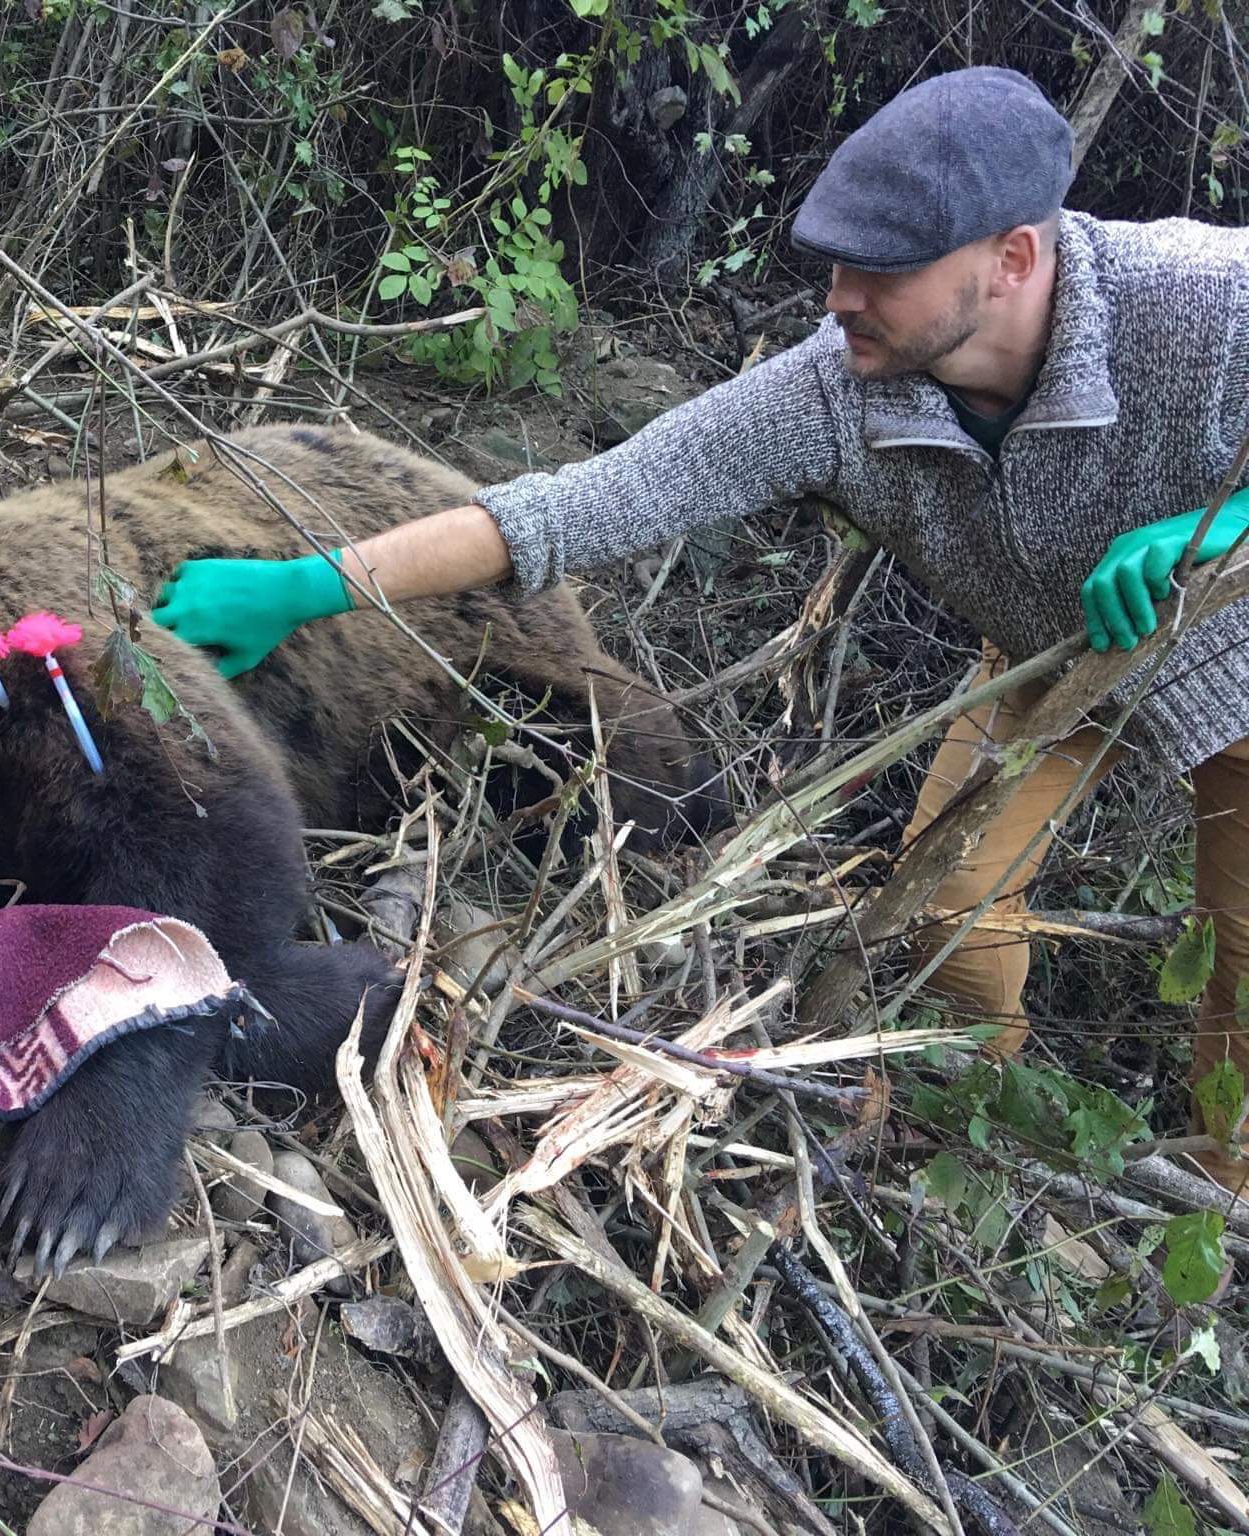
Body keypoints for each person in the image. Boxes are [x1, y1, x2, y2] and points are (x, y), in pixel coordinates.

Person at [150, 66, 1249, 1190]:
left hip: (1239, 667)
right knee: (950, 914)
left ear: (1010, 259)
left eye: (879, 272)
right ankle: (996, 1147)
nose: (837, 298)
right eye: (833, 264)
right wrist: (308, 584)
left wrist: (1218, 528)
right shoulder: (838, 394)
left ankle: (1218, 1197)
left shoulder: (1200, 300)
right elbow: (591, 502)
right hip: (1043, 659)